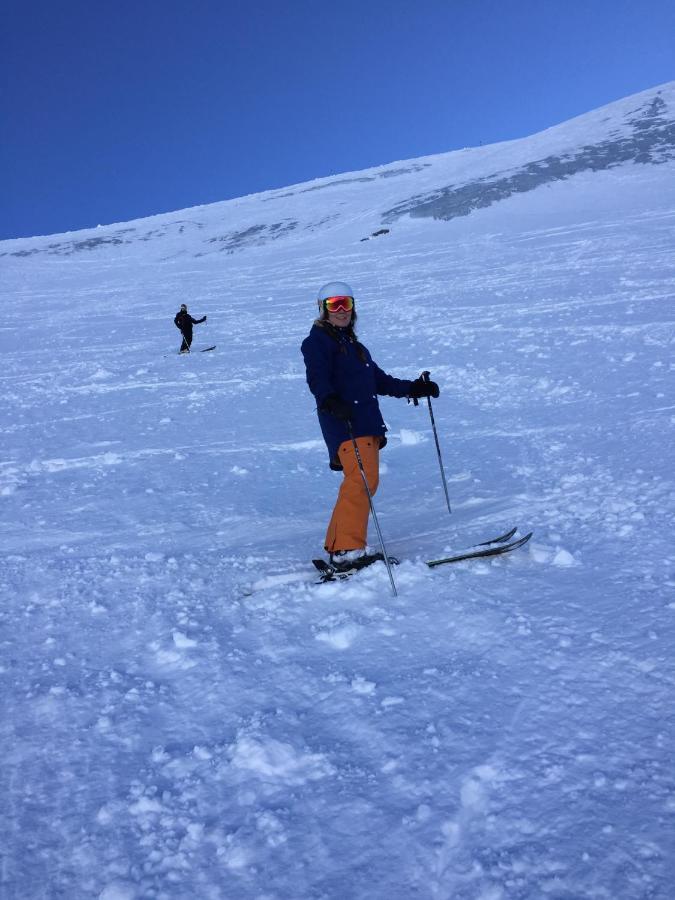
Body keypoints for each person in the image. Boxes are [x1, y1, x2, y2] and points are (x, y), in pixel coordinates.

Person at [301, 280, 439, 571]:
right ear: (322, 309)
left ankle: (341, 546)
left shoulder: (355, 346)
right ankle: (347, 550)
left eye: (346, 304)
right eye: (334, 305)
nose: (341, 310)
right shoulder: (318, 342)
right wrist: (328, 399)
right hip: (345, 422)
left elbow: (380, 381)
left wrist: (415, 389)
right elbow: (317, 377)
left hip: (366, 424)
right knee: (362, 482)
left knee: (358, 482)